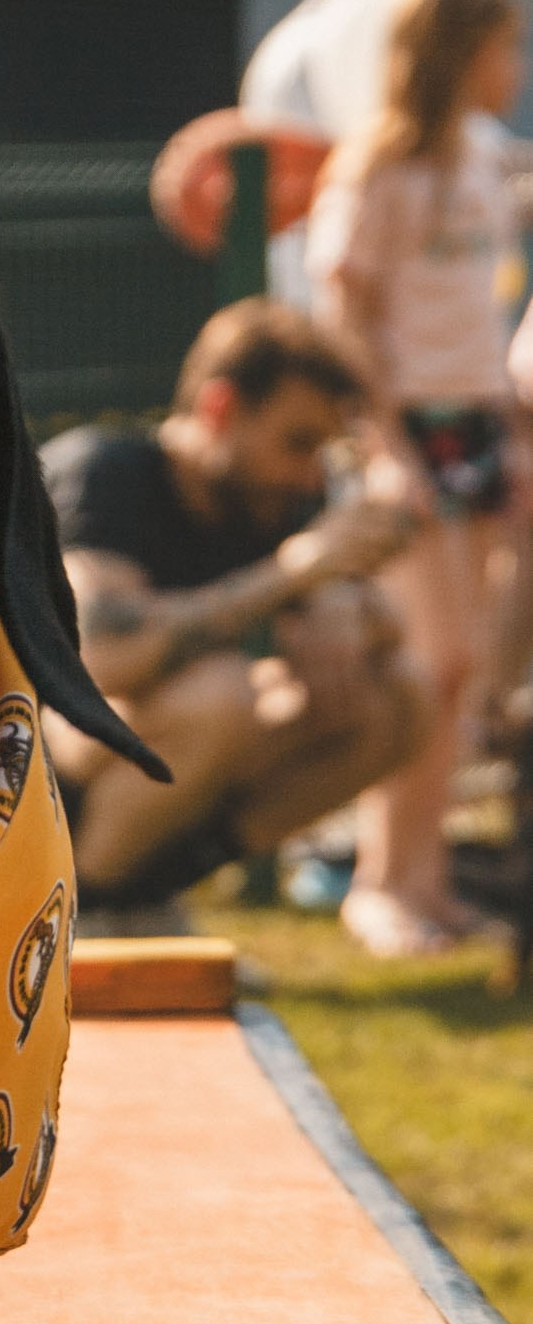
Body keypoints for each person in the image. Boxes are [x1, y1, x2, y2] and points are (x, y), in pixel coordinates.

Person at [41, 301, 425, 915]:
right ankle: (84, 916)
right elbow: (100, 659)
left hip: (139, 753)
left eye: (324, 449)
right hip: (16, 764)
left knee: (400, 698)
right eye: (299, 442)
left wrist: (342, 602)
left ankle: (147, 896)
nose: (310, 474)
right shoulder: (107, 472)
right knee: (221, 697)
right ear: (220, 408)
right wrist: (292, 574)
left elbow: (391, 631)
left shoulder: (273, 496)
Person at [307, 0, 533, 956]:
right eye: (503, 45)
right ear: (456, 50)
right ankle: (381, 881)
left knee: (470, 669)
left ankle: (433, 882)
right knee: (431, 663)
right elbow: (347, 316)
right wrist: (386, 444)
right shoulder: (378, 167)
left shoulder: (482, 157)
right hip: (409, 432)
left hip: (481, 422)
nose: (515, 65)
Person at [241, 0, 465, 304]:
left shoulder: (281, 45)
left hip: (313, 320)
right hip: (382, 330)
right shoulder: (380, 13)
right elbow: (424, 169)